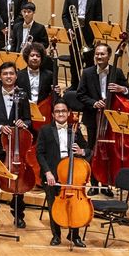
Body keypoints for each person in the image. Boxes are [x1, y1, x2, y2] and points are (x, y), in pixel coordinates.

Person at [74, 42, 129, 194]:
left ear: (109, 56)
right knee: (94, 150)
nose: (99, 56)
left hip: (111, 119)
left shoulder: (116, 72)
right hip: (93, 118)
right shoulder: (87, 72)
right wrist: (94, 103)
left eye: (102, 54)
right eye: (97, 54)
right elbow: (80, 94)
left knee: (109, 152)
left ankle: (106, 184)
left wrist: (122, 89)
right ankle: (94, 184)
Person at [0, 62, 31, 227]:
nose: (8, 76)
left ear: (16, 76)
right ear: (0, 76)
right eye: (5, 74)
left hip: (16, 146)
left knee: (18, 180)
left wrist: (23, 123)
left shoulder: (22, 96)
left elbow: (28, 119)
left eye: (11, 73)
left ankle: (18, 215)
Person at [37, 99, 88, 246]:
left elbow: (88, 150)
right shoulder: (45, 130)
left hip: (72, 173)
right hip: (53, 174)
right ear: (53, 114)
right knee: (54, 204)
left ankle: (74, 235)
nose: (61, 114)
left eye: (63, 111)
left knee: (74, 204)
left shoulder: (75, 129)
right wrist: (47, 172)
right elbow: (40, 153)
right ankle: (56, 235)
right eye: (58, 111)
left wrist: (81, 151)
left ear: (69, 113)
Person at [61, 0, 103, 88]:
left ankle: (89, 86)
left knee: (89, 61)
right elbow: (64, 15)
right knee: (74, 61)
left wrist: (97, 36)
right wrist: (69, 29)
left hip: (89, 33)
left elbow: (99, 17)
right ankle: (74, 85)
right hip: (74, 33)